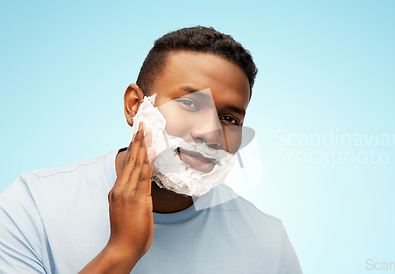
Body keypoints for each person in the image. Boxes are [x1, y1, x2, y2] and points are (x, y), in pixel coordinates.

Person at [0, 26, 302, 274]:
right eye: (189, 103)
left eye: (229, 118)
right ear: (135, 105)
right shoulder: (33, 207)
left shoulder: (268, 244)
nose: (210, 132)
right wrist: (121, 252)